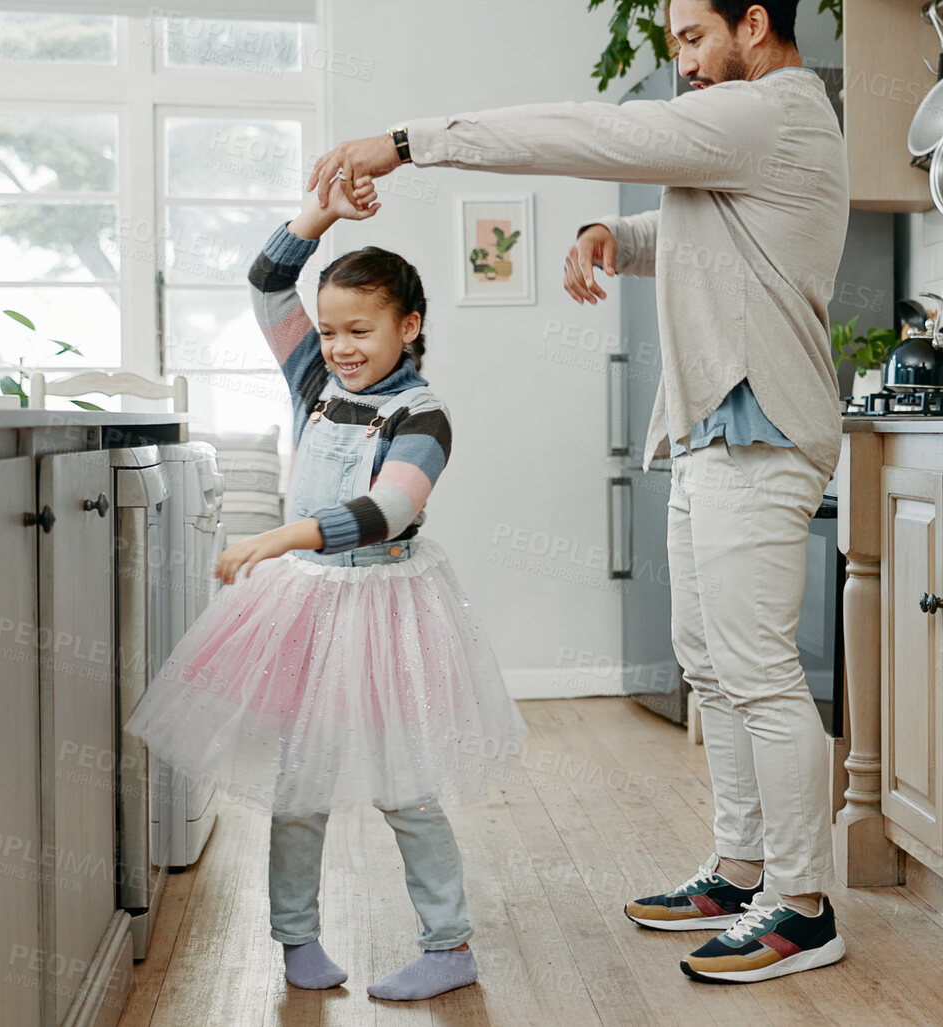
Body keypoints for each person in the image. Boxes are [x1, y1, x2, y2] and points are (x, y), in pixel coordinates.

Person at [309, 0, 850, 984]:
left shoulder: (769, 111)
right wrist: (615, 234)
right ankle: (737, 874)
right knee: (712, 666)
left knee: (759, 671)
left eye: (692, 38)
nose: (682, 61)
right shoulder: (747, 132)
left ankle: (804, 905)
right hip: (713, 430)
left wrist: (407, 143)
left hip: (763, 431)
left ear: (757, 24)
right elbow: (713, 235)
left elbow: (588, 128)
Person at [123, 180, 525, 1002]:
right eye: (332, 329)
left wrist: (279, 536)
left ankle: (448, 945)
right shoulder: (314, 379)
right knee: (298, 784)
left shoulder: (423, 414)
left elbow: (388, 509)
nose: (339, 345)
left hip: (384, 607)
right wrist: (324, 212)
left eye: (360, 330)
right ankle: (296, 937)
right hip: (304, 604)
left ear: (408, 327)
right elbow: (269, 282)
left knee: (406, 787)